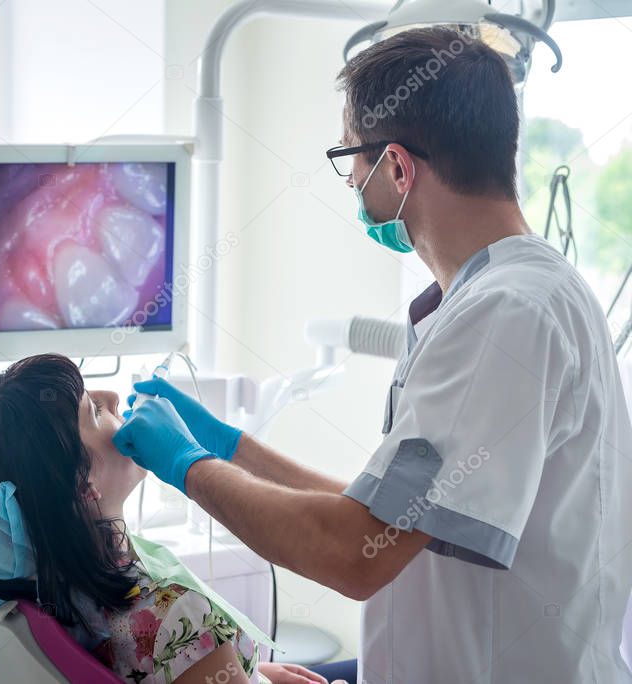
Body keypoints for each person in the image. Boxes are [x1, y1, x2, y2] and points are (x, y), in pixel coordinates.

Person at [113, 27, 632, 684]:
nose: (352, 181)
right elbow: (389, 518)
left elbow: (358, 550)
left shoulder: (507, 315)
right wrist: (229, 447)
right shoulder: (507, 299)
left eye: (351, 160)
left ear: (396, 167)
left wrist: (186, 467)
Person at [0, 353, 344, 684]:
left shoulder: (61, 594)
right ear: (83, 488)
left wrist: (245, 671)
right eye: (93, 412)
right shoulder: (177, 616)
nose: (114, 399)